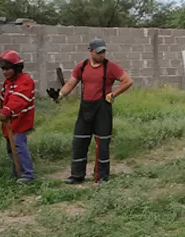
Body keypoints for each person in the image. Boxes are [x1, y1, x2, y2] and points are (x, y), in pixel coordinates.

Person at [48, 38, 133, 185]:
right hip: (85, 109)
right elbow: (70, 83)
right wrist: (60, 95)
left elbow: (128, 81)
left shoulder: (111, 67)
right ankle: (77, 175)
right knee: (79, 141)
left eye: (104, 52)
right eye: (99, 52)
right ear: (90, 51)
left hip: (103, 109)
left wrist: (113, 94)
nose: (102, 55)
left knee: (102, 143)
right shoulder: (82, 67)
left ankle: (101, 177)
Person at [0, 50, 36, 183]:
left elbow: (18, 99)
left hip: (21, 121)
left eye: (7, 69)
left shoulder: (25, 81)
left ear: (16, 68)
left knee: (19, 146)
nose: (4, 72)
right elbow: (4, 98)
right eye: (3, 69)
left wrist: (7, 110)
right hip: (10, 123)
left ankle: (27, 174)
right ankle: (17, 171)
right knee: (11, 147)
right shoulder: (8, 83)